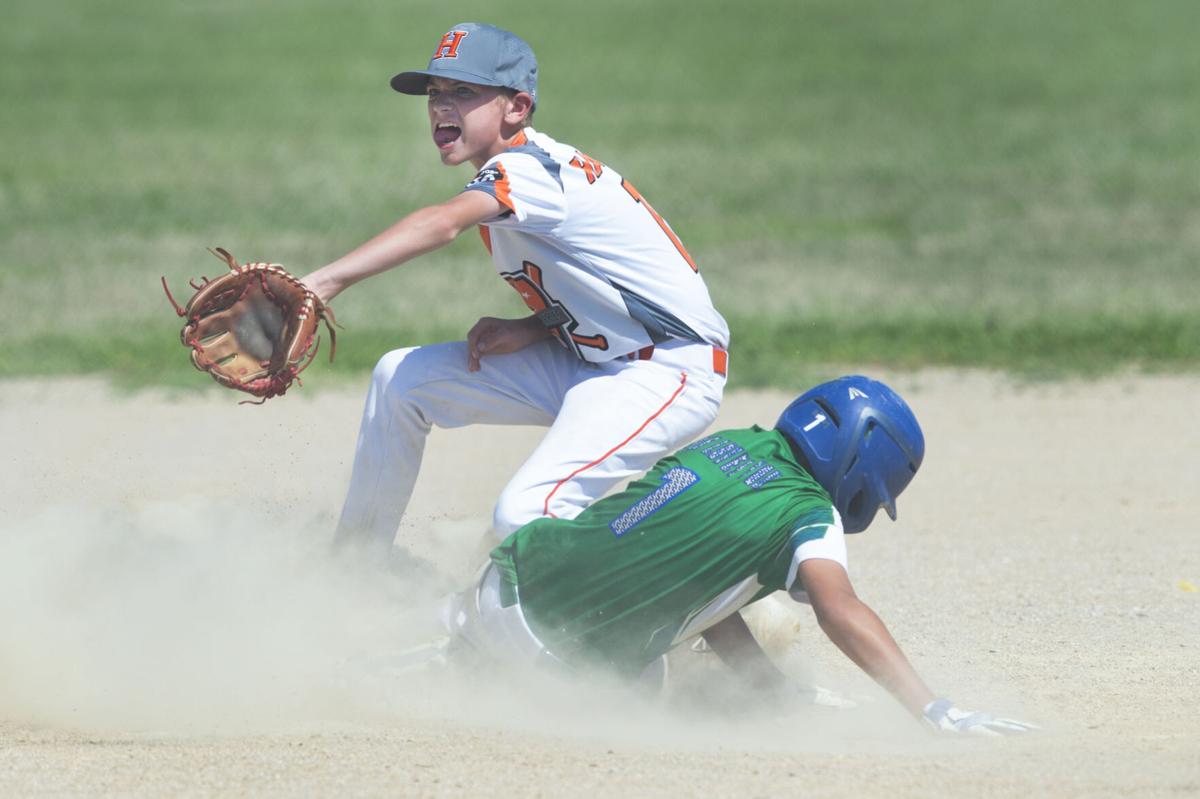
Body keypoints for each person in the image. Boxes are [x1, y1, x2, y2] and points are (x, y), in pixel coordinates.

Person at [300, 23, 729, 558]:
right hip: (599, 359)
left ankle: (658, 605)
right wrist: (536, 327)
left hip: (667, 370)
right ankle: (356, 567)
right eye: (434, 94)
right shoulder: (525, 169)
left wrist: (322, 283)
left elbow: (441, 224)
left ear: (517, 107)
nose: (441, 108)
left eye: (464, 92)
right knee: (400, 379)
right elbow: (616, 285)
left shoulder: (530, 172)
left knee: (522, 513)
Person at [441, 376, 1036, 734]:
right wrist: (933, 709)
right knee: (658, 681)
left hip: (497, 585)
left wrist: (765, 686)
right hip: (559, 676)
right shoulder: (811, 513)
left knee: (652, 576)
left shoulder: (731, 443)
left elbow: (692, 577)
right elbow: (840, 610)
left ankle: (444, 644)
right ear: (865, 474)